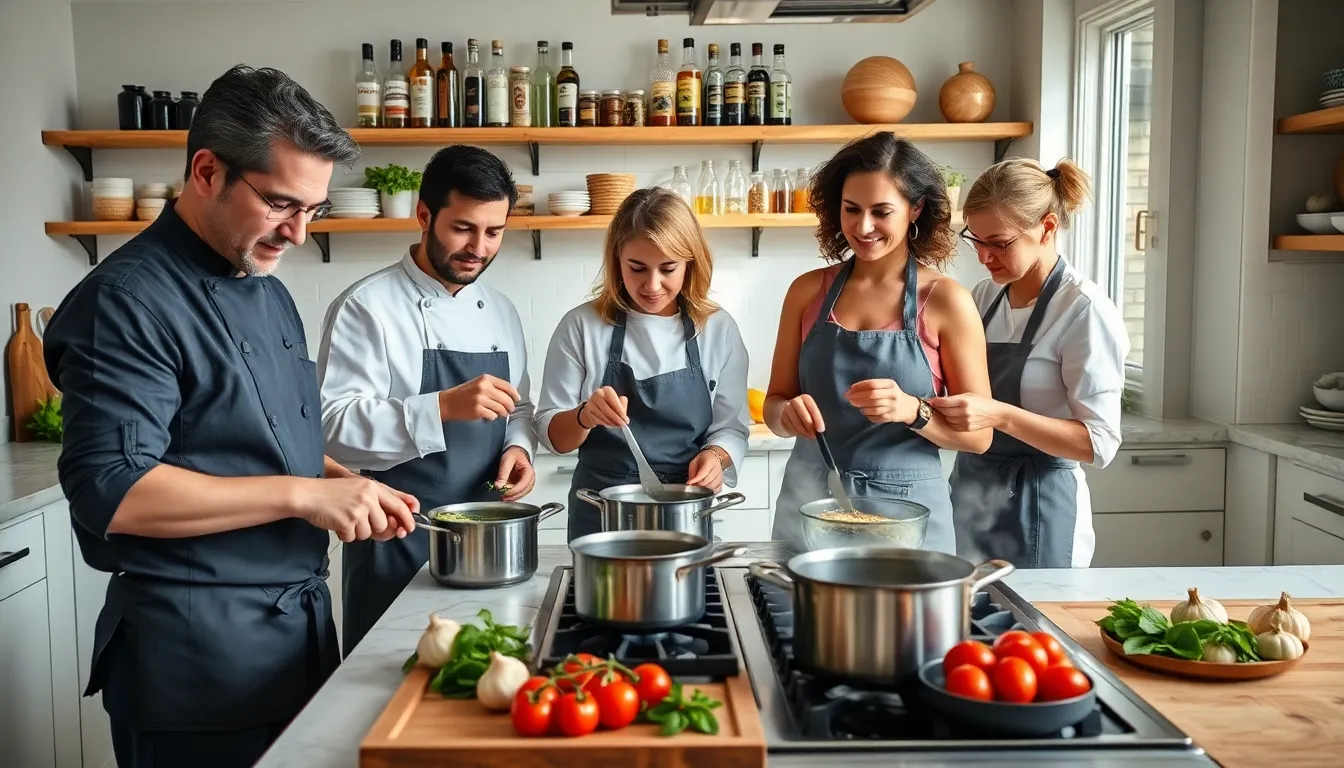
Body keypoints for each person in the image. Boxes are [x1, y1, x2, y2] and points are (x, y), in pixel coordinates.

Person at [42, 65, 419, 768]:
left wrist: (348, 482)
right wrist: (309, 495)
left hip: (293, 642)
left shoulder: (262, 282)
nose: (300, 234)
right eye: (281, 204)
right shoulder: (125, 302)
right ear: (207, 171)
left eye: (313, 210)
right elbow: (112, 490)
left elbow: (259, 440)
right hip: (196, 668)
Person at [318, 145, 536, 651]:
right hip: (398, 537)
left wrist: (519, 448)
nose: (479, 247)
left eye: (494, 232)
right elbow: (332, 428)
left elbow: (518, 406)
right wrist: (440, 406)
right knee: (384, 691)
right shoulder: (365, 306)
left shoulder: (501, 310)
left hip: (488, 542)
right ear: (424, 215)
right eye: (463, 227)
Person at [763, 132, 994, 554]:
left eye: (881, 211)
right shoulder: (806, 292)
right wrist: (786, 414)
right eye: (851, 210)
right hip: (811, 504)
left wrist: (913, 410)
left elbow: (979, 438)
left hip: (907, 515)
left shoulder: (946, 301)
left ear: (916, 209)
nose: (863, 226)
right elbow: (775, 404)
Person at [933, 158, 1129, 568]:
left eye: (1000, 242)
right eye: (976, 239)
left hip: (1040, 504)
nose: (984, 255)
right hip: (971, 493)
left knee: (1036, 630)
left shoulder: (1083, 311)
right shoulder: (985, 297)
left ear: (1048, 227)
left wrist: (1000, 415)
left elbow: (1100, 442)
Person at [536, 187, 750, 541]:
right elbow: (551, 435)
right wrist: (584, 416)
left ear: (691, 263)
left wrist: (716, 457)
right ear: (617, 261)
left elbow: (732, 427)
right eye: (637, 268)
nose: (652, 285)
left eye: (668, 269)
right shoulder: (581, 326)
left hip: (686, 509)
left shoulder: (717, 328)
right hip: (602, 511)